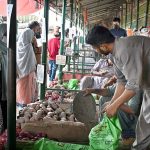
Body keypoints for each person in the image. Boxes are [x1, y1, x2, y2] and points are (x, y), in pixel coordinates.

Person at [86, 25, 150, 150]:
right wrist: (113, 102)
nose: (96, 51)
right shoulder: (114, 54)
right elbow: (121, 81)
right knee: (144, 125)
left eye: (95, 48)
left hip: (146, 86)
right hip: (148, 86)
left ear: (103, 45)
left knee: (146, 123)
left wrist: (115, 106)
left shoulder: (124, 50)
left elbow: (133, 86)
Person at [16, 28, 38, 106]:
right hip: (28, 72)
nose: (33, 38)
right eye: (32, 36)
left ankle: (20, 101)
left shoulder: (18, 46)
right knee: (27, 89)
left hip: (20, 72)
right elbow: (33, 61)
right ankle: (26, 102)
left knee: (21, 87)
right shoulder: (28, 47)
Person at [0, 23, 7, 132]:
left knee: (4, 102)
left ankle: (5, 124)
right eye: (5, 34)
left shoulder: (5, 47)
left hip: (4, 79)